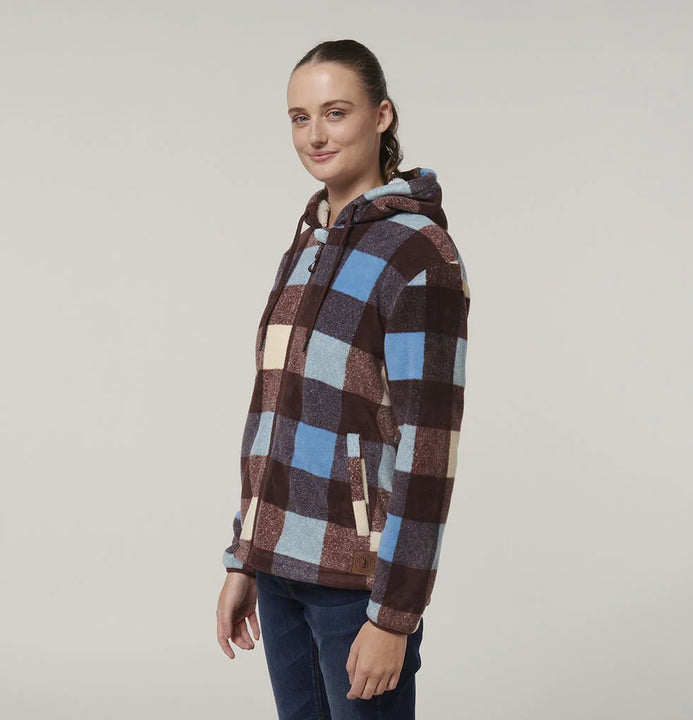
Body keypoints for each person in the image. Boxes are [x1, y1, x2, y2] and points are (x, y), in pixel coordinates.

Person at [216, 38, 471, 719]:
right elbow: (275, 410)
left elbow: (429, 447)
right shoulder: (308, 243)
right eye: (300, 118)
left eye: (335, 112)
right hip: (279, 573)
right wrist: (246, 554)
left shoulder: (419, 254)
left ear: (382, 115)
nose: (316, 135)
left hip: (358, 588)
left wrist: (395, 614)